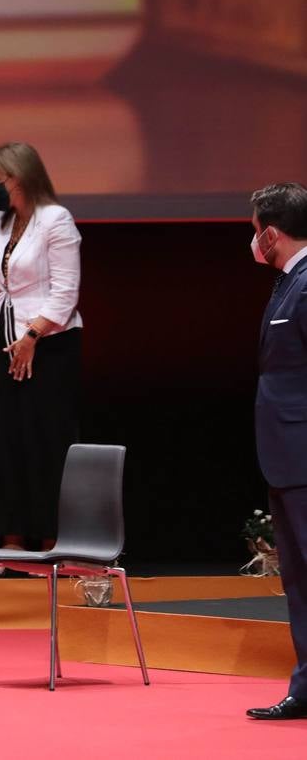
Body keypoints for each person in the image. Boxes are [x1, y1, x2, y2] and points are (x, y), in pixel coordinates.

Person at [0, 142, 82, 570]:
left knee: (44, 442)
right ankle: (11, 543)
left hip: (49, 348)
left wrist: (33, 336)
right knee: (3, 441)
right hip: (4, 344)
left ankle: (51, 542)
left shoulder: (57, 220)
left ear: (22, 177)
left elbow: (65, 293)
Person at [246, 183, 307, 720]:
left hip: (305, 455)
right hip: (286, 458)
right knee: (298, 580)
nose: (252, 243)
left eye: (253, 232)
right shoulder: (288, 282)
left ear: (270, 233)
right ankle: (306, 688)